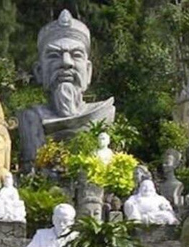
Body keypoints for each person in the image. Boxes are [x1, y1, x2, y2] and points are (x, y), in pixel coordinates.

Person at [17, 10, 115, 168]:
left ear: (88, 71)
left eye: (76, 55)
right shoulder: (30, 119)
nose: (66, 63)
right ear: (39, 72)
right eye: (54, 55)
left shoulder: (103, 114)